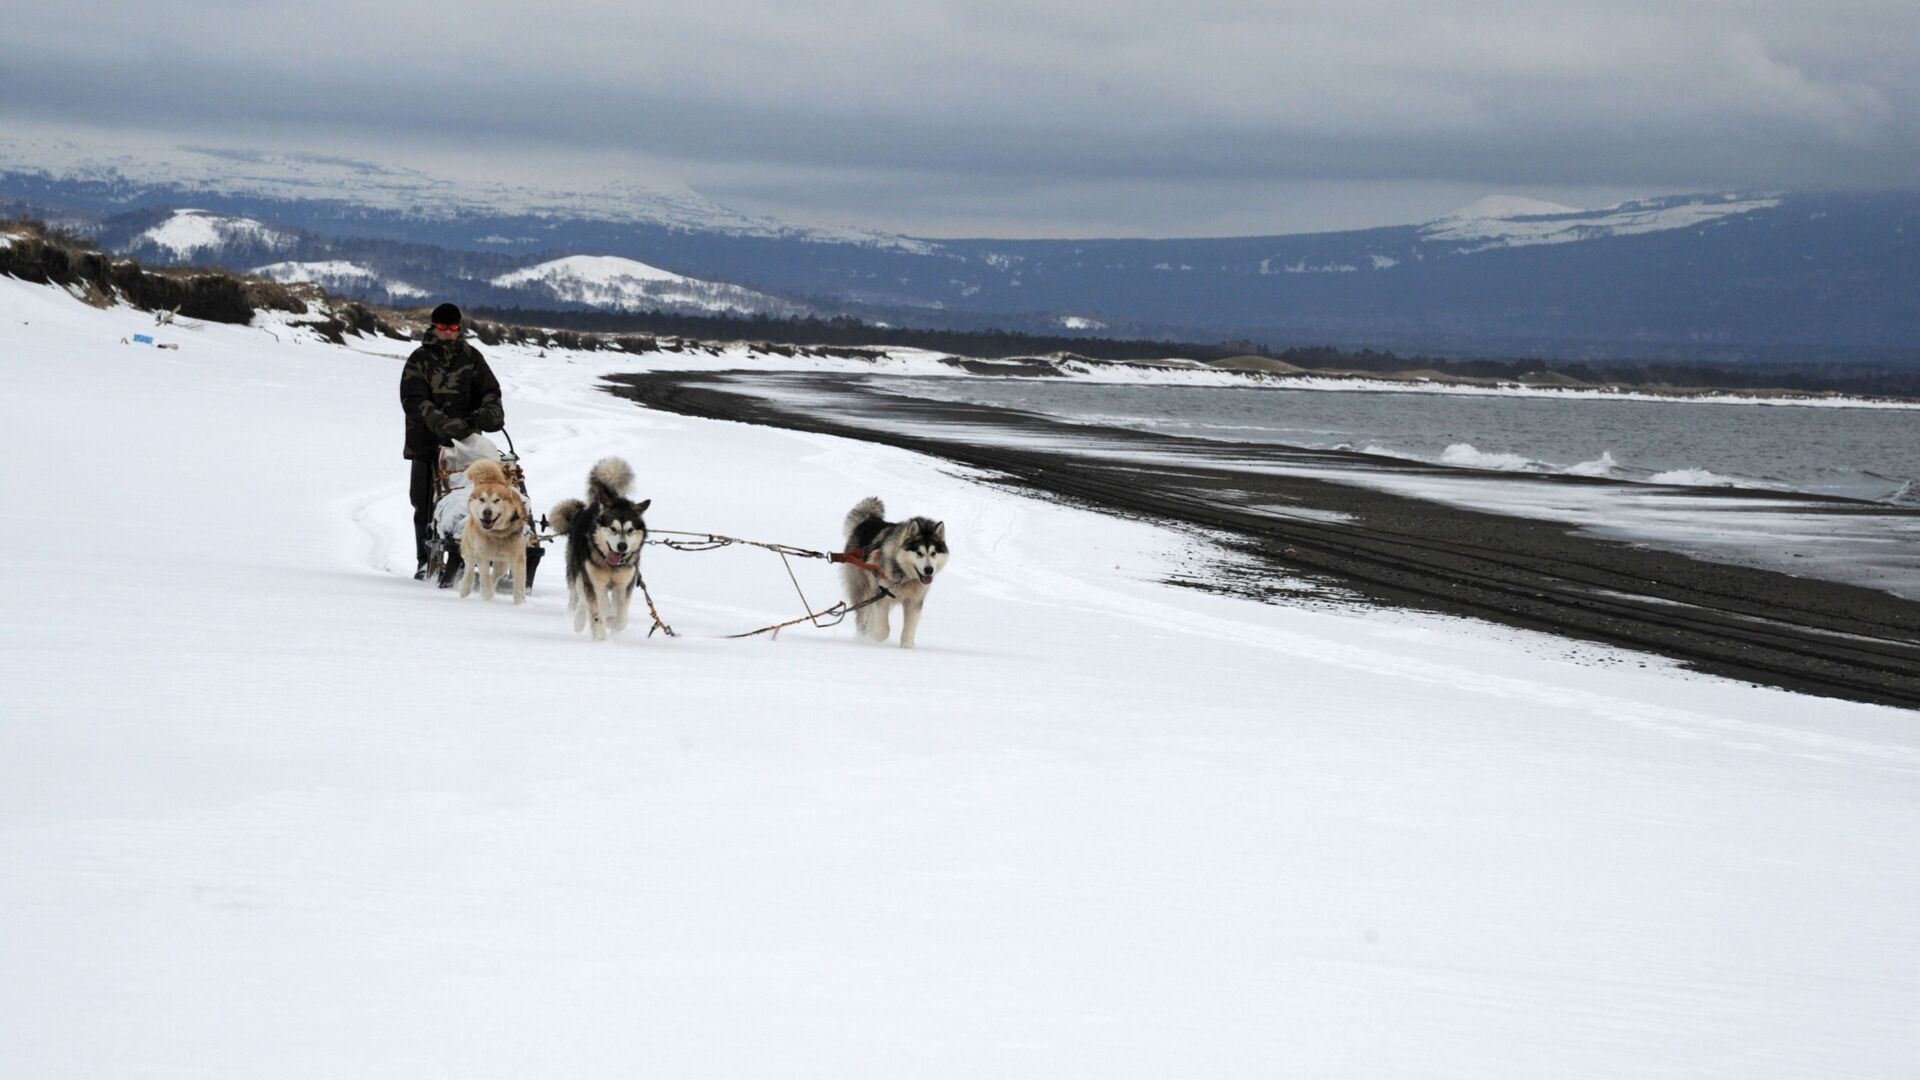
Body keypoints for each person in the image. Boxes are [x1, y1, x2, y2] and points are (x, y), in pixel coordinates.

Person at [401, 302, 504, 578]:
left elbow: (490, 391)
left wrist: (491, 411)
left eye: (454, 328)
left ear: (460, 328)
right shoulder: (419, 359)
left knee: (471, 497)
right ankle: (424, 560)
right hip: (426, 442)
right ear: (435, 327)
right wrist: (440, 422)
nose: (448, 332)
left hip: (466, 444)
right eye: (444, 327)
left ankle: (480, 550)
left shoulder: (472, 357)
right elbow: (413, 399)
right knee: (422, 502)